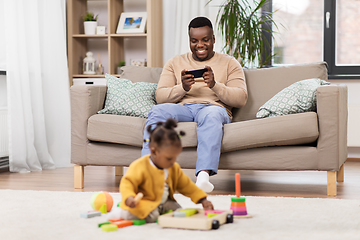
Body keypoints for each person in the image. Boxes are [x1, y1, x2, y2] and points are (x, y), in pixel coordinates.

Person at [141, 16, 248, 193]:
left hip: (214, 108)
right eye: (194, 41)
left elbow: (241, 98)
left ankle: (203, 178)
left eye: (205, 40)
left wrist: (215, 85)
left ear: (213, 39)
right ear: (189, 41)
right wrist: (182, 88)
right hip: (184, 108)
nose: (200, 45)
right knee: (158, 110)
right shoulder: (175, 62)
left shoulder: (230, 63)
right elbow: (160, 96)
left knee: (212, 115)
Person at [119, 118, 214, 223]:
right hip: (145, 202)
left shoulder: (173, 168)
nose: (173, 162)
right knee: (147, 215)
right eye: (169, 158)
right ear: (154, 152)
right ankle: (122, 212)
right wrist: (129, 198)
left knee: (179, 212)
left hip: (165, 202)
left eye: (175, 158)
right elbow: (128, 183)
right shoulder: (140, 166)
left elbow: (187, 185)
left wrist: (202, 199)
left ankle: (159, 212)